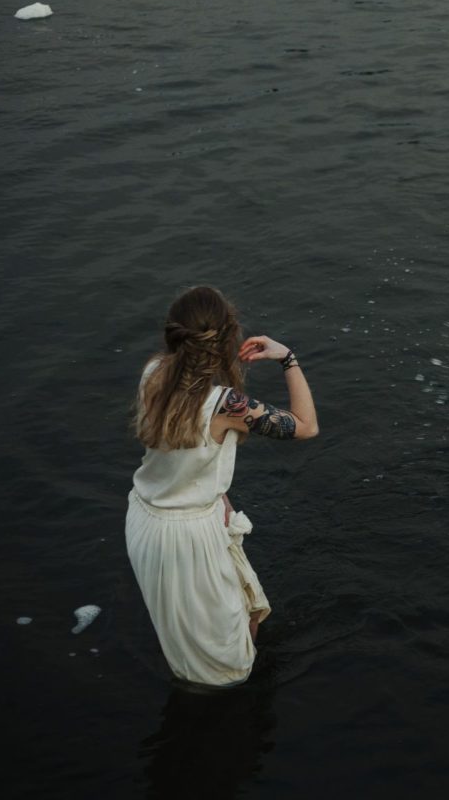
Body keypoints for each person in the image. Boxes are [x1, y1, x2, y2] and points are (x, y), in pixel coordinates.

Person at [127, 286, 319, 686]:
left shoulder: (153, 373)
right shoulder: (227, 405)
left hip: (146, 517)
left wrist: (221, 499)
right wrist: (287, 357)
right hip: (187, 537)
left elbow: (182, 455)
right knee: (225, 660)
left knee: (211, 626)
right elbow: (306, 427)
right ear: (226, 339)